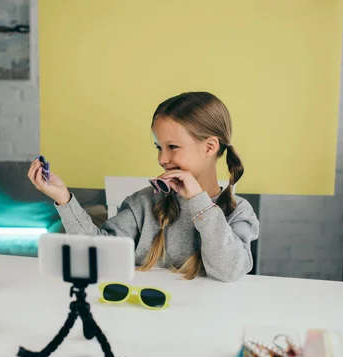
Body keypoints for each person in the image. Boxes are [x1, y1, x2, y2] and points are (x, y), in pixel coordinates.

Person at [27, 91, 259, 282]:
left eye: (172, 147)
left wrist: (199, 201)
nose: (162, 159)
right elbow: (98, 253)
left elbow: (228, 271)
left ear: (209, 147)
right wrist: (64, 199)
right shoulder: (145, 203)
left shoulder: (239, 212)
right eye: (159, 147)